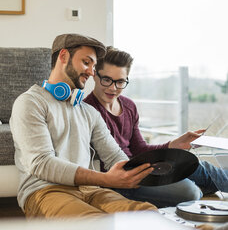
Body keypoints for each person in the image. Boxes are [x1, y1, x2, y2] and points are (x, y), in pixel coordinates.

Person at [10, 33, 158, 219]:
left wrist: (144, 170)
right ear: (63, 57)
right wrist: (105, 179)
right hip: (45, 192)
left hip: (92, 191)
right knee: (96, 223)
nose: (91, 72)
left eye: (94, 66)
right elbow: (42, 164)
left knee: (149, 214)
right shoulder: (30, 102)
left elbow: (114, 156)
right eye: (86, 62)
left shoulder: (88, 111)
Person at [84, 46, 228, 208]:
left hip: (144, 167)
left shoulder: (128, 106)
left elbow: (139, 148)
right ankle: (203, 187)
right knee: (190, 192)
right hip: (122, 180)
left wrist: (173, 145)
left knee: (197, 166)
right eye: (107, 80)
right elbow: (103, 164)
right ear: (95, 74)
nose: (113, 88)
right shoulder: (87, 111)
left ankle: (207, 184)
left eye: (120, 82)